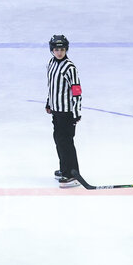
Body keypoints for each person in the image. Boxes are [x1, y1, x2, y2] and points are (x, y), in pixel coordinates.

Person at [45, 34, 82, 188]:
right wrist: (49, 102)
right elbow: (51, 85)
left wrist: (76, 112)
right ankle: (64, 168)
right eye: (56, 49)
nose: (59, 52)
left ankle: (72, 174)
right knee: (58, 140)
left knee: (66, 142)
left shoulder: (69, 67)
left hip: (67, 112)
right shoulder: (51, 63)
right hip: (56, 110)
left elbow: (76, 90)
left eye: (62, 49)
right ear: (52, 50)